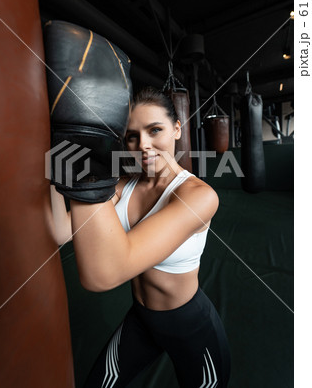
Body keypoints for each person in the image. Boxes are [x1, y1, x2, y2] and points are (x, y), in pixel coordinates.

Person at [51, 86, 230, 388]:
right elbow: (60, 231)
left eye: (154, 130)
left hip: (191, 326)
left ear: (176, 129)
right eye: (132, 135)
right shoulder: (124, 185)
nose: (142, 145)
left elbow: (107, 273)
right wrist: (53, 169)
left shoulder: (199, 196)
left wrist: (84, 176)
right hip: (141, 319)